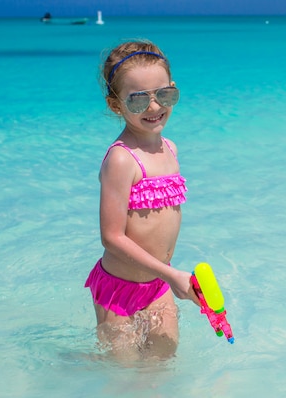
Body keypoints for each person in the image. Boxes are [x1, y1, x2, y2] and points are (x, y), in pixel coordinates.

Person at [85, 40, 198, 360]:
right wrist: (170, 274)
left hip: (159, 286)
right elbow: (111, 237)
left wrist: (168, 276)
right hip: (119, 291)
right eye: (137, 100)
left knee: (162, 365)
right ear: (115, 105)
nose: (153, 107)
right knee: (123, 376)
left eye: (164, 95)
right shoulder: (121, 160)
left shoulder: (171, 150)